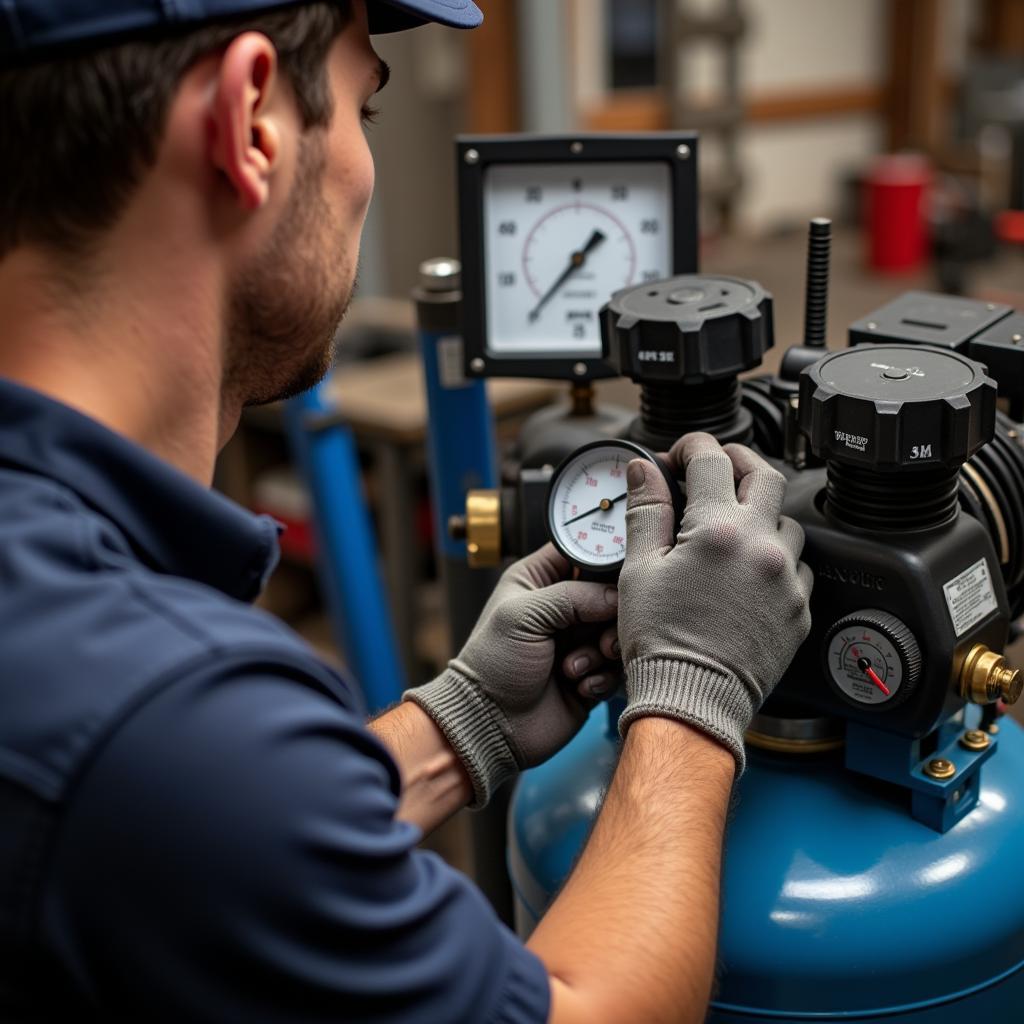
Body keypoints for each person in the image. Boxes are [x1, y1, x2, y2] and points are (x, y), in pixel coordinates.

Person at [0, 1, 813, 1020]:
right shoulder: (161, 708)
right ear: (251, 122)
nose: (361, 169)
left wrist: (457, 722)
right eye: (362, 108)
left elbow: (192, 844)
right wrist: (696, 690)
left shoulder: (87, 650)